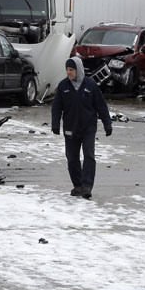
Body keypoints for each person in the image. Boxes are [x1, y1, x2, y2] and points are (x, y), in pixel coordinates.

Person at [51, 57, 113, 200]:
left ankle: (87, 186)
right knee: (72, 158)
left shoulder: (90, 85)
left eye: (71, 70)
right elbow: (56, 107)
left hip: (88, 128)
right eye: (67, 69)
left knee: (89, 155)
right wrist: (55, 124)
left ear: (78, 70)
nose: (69, 72)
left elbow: (101, 106)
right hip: (70, 128)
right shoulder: (63, 86)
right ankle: (78, 185)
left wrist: (107, 123)